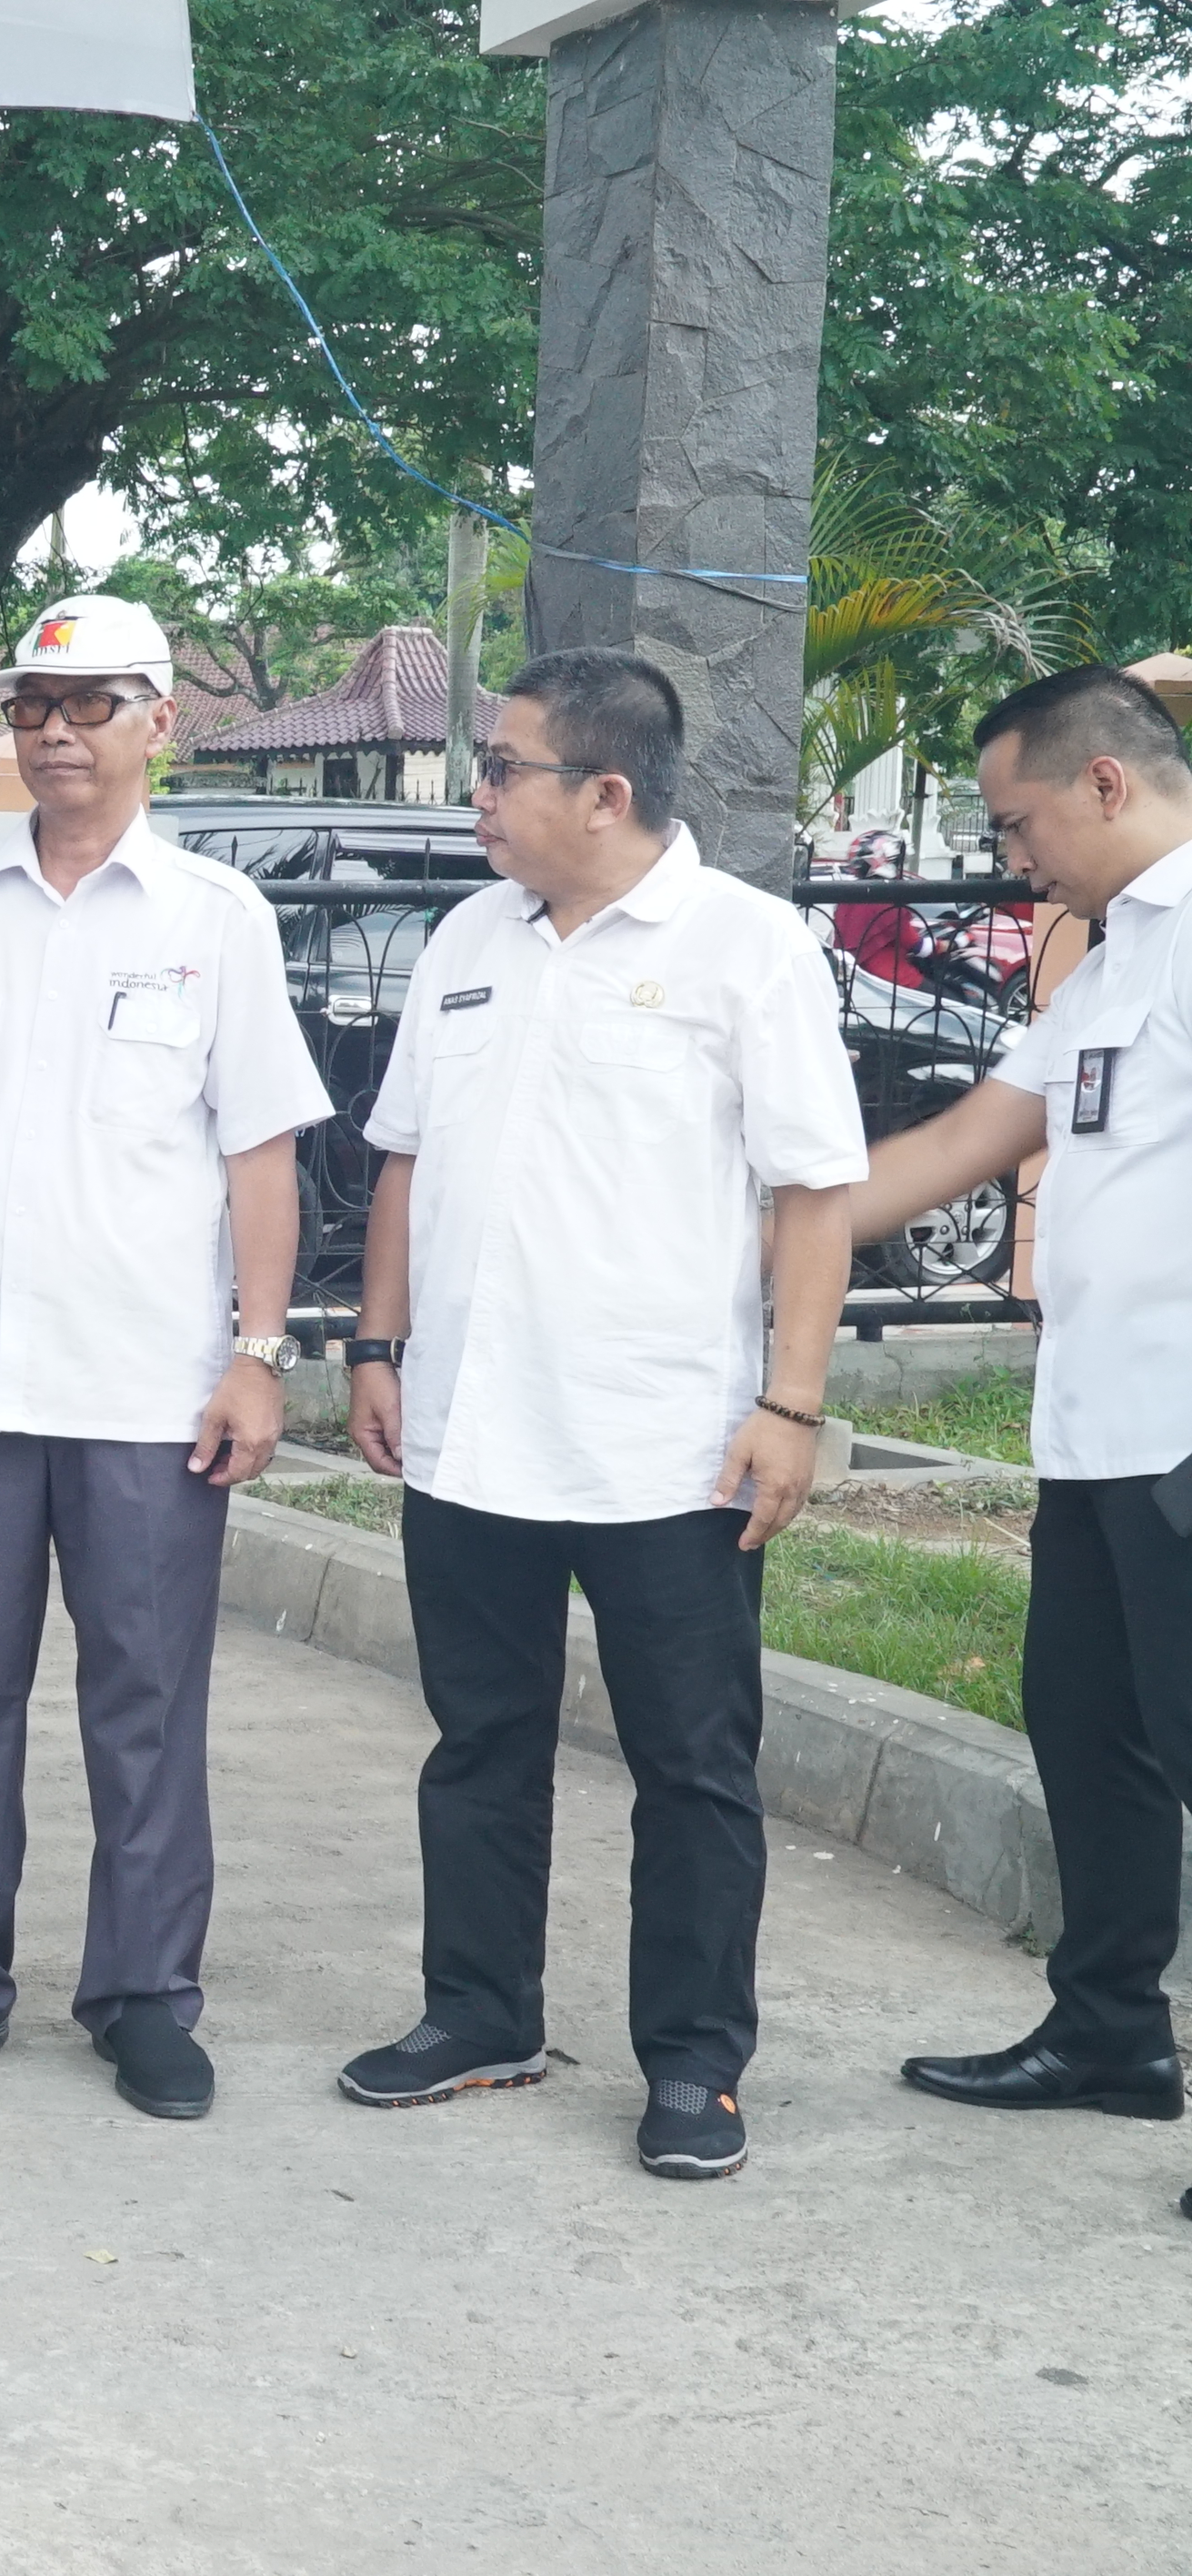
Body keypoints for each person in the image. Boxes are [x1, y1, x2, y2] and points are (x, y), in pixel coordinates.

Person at [336, 647, 862, 2184]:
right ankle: (479, 2011)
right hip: (470, 1430)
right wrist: (377, 1343)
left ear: (605, 791)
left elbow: (816, 1193)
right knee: (478, 1739)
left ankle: (696, 2062)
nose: (478, 793)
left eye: (503, 769)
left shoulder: (742, 946)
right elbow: (407, 1157)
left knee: (691, 1762)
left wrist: (794, 1401)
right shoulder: (466, 938)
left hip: (667, 1443)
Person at [0, 592, 326, 2124]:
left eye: (92, 703)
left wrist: (256, 1352)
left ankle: (145, 1995)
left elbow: (262, 1157)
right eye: (35, 705)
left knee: (145, 1707)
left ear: (158, 722)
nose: (56, 730)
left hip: (148, 1391)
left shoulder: (212, 920)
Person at [851, 668, 1192, 2198]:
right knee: (1094, 1739)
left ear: (1107, 782)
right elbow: (957, 1145)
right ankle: (1112, 2030)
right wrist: (746, 1235)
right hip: (1098, 1436)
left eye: (1018, 820)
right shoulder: (1116, 965)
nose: (1009, 856)